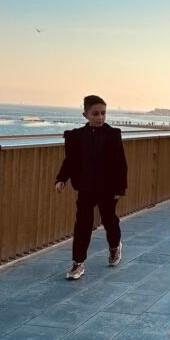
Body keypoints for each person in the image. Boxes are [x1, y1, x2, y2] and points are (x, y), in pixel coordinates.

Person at [55, 94, 127, 281]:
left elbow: (121, 163)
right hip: (86, 188)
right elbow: (70, 161)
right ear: (85, 114)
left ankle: (114, 247)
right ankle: (78, 264)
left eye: (103, 113)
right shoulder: (77, 137)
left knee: (109, 221)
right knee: (82, 226)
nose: (100, 117)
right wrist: (62, 178)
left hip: (108, 189)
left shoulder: (113, 134)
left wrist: (120, 189)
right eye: (95, 113)